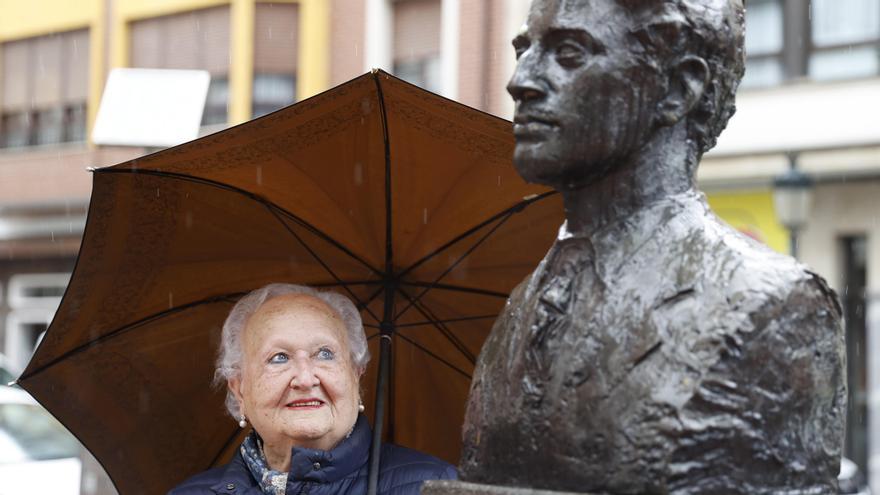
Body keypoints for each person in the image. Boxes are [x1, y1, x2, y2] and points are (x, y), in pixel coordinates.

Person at [458, 0, 846, 494]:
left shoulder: (774, 306)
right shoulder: (517, 308)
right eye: (524, 50)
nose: (521, 79)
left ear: (679, 87)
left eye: (570, 52)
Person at [170, 283, 456, 495]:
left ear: (355, 377)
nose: (306, 379)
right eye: (279, 357)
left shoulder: (434, 487)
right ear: (239, 390)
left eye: (325, 354)